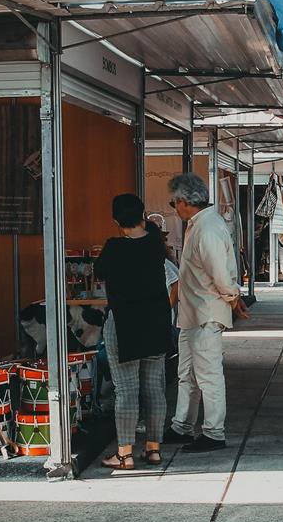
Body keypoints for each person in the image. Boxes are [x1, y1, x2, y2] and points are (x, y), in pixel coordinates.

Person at [162, 172, 243, 453]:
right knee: (187, 374)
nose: (175, 209)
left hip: (206, 312)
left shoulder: (207, 228)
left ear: (184, 201)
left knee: (207, 375)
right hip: (193, 313)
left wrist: (233, 297)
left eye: (174, 204)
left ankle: (213, 432)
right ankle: (181, 425)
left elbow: (219, 273)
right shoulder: (200, 224)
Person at [94, 194, 172, 470]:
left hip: (125, 323)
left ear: (115, 220)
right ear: (143, 214)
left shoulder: (113, 248)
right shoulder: (155, 244)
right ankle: (153, 449)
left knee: (126, 390)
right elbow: (150, 232)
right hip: (155, 322)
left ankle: (125, 454)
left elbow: (99, 270)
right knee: (154, 388)